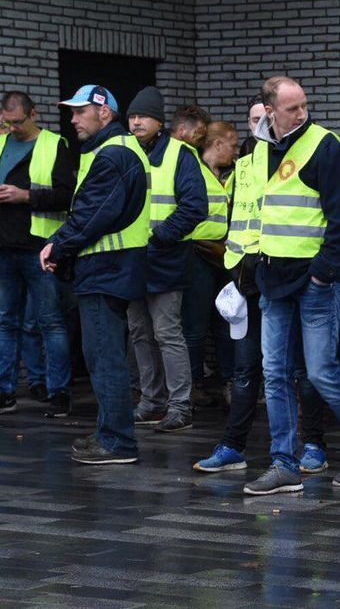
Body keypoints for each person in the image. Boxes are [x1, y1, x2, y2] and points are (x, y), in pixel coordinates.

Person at [243, 76, 340, 495]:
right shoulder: (261, 148)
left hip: (313, 279)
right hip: (273, 275)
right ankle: (283, 463)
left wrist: (323, 274)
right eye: (291, 108)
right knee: (274, 373)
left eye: (304, 105)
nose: (301, 113)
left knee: (322, 372)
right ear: (269, 111)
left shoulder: (324, 146)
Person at [193, 112, 328, 474]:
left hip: (290, 279)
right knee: (247, 368)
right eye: (254, 119)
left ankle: (313, 443)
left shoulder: (298, 159)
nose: (260, 125)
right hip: (250, 281)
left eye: (264, 118)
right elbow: (239, 221)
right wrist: (235, 272)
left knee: (301, 369)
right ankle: (233, 445)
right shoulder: (246, 167)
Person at [42, 84, 149, 464]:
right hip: (108, 269)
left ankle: (118, 442)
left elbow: (91, 214)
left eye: (79, 112)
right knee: (101, 354)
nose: (72, 120)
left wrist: (58, 245)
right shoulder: (110, 151)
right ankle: (109, 431)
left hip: (108, 269)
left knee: (105, 357)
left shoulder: (112, 154)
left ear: (104, 112)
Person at [125, 86, 207, 433]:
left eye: (143, 116)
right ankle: (150, 401)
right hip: (131, 258)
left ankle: (179, 406)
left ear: (160, 121)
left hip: (166, 257)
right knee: (139, 332)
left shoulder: (181, 154)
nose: (136, 122)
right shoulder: (123, 149)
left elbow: (194, 207)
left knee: (167, 333)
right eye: (131, 116)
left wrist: (160, 236)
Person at [0, 91, 75, 416]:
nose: (14, 128)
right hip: (4, 247)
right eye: (8, 122)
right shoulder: (1, 143)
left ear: (34, 113)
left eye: (19, 122)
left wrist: (25, 195)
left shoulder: (54, 144)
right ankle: (6, 392)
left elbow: (66, 196)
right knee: (5, 322)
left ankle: (58, 392)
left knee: (49, 322)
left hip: (39, 246)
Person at [181, 121, 235, 408]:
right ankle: (191, 387)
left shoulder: (226, 175)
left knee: (226, 322)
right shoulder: (195, 172)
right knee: (195, 325)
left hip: (222, 255)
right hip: (199, 254)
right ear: (217, 144)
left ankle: (229, 382)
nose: (236, 151)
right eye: (233, 145)